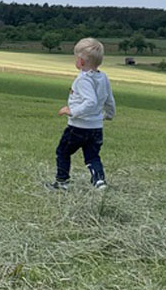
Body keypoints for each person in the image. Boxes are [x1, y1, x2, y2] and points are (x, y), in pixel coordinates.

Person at [47, 37, 116, 191]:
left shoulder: (83, 80)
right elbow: (109, 99)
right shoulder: (103, 77)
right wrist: (109, 114)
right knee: (92, 156)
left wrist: (72, 112)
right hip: (96, 128)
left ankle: (62, 182)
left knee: (63, 151)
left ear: (81, 61)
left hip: (78, 127)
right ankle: (99, 181)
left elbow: (90, 102)